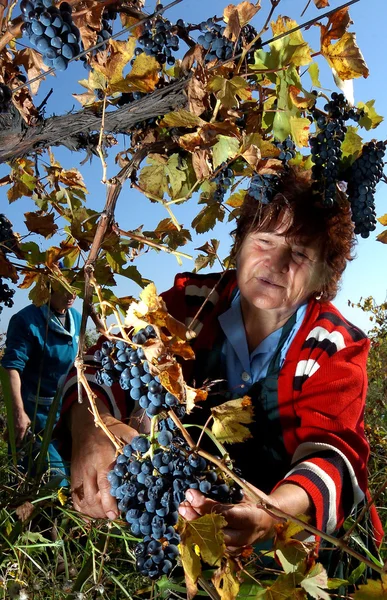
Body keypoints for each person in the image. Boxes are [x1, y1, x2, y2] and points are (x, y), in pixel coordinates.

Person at [61, 167, 383, 558]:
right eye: (264, 241)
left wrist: (272, 513)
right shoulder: (190, 304)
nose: (276, 262)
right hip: (203, 538)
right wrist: (90, 428)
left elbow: (333, 453)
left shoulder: (333, 345)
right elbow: (102, 364)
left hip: (309, 550)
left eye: (299, 253)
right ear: (240, 244)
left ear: (323, 275)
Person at [2, 284, 81, 481]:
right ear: (48, 288)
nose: (71, 294)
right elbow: (11, 368)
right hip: (36, 417)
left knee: (73, 474)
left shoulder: (77, 319)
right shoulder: (26, 321)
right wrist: (17, 412)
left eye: (74, 288)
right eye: (64, 289)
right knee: (52, 479)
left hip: (65, 414)